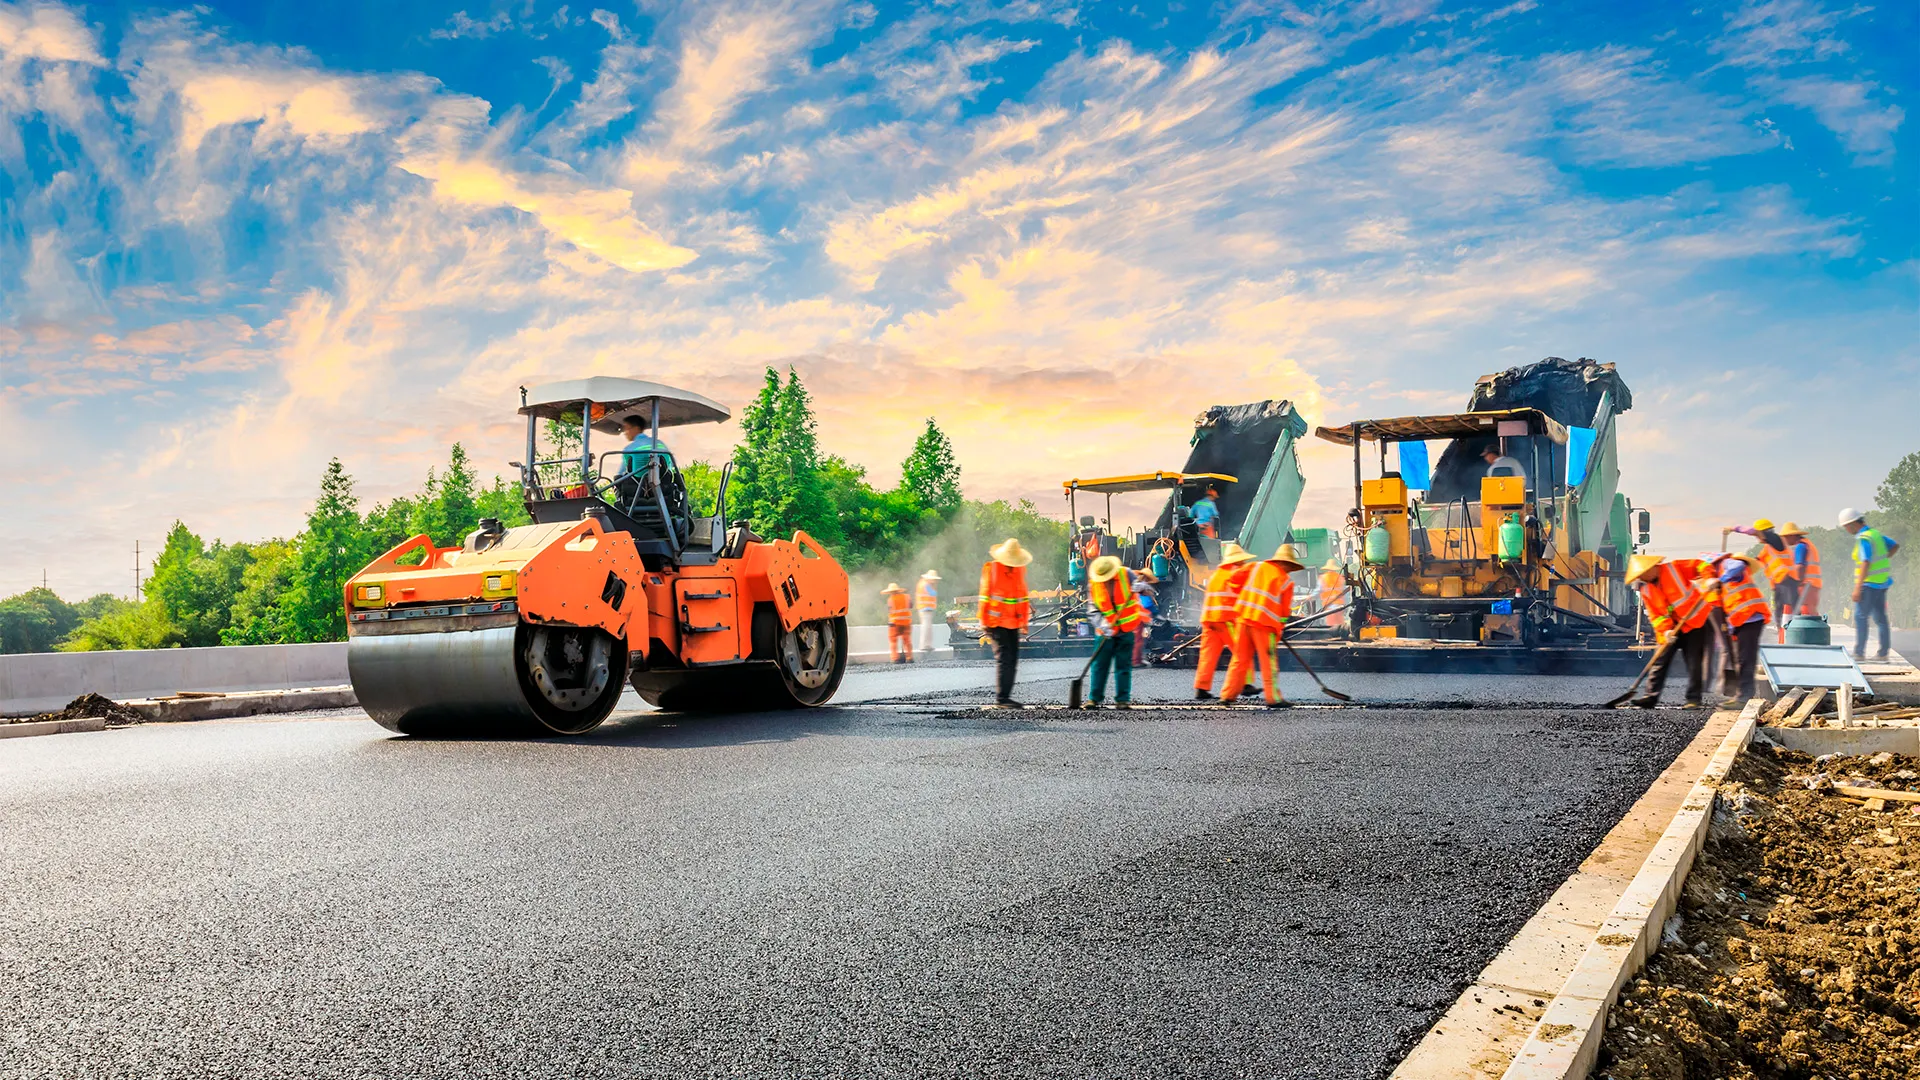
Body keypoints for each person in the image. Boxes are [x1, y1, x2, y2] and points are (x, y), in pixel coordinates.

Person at [1221, 543, 1306, 709]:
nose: (1289, 570)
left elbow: (1232, 579)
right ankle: (1273, 698)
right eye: (1290, 566)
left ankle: (1227, 696)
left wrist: (1242, 595)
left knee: (1239, 660)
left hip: (1244, 619)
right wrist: (1279, 630)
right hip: (1265, 626)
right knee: (1268, 662)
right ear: (1285, 563)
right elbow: (1283, 612)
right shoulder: (1286, 582)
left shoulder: (1255, 566)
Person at [1625, 554, 1715, 708]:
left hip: (1694, 622)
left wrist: (1710, 578)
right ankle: (1650, 697)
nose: (1641, 577)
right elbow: (1656, 615)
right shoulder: (1646, 589)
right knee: (1660, 660)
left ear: (1652, 568)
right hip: (1671, 629)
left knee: (1694, 661)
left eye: (1642, 573)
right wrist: (1666, 631)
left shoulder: (1674, 568)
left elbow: (1699, 565)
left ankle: (1693, 700)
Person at [1193, 542, 1258, 700]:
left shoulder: (1216, 575)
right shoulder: (1236, 573)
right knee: (1242, 650)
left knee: (1208, 655)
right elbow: (1246, 596)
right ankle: (1246, 684)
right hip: (1226, 619)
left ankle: (1201, 688)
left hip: (1209, 620)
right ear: (1238, 561)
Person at [1704, 552, 1770, 702]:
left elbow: (1740, 565)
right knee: (1742, 658)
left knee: (1746, 659)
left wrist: (1720, 579)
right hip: (1743, 619)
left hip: (1751, 616)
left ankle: (1744, 696)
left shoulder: (1727, 564)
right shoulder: (1720, 577)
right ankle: (1741, 694)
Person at [1085, 555, 1149, 709]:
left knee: (1124, 666)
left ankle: (1122, 700)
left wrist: (1142, 588)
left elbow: (1147, 590)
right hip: (1104, 633)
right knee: (1099, 666)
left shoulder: (1126, 574)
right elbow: (1092, 610)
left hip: (1126, 630)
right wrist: (1102, 623)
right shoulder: (1093, 584)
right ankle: (1094, 699)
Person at [1839, 507, 1900, 661]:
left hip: (1868, 585)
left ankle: (1859, 653)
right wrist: (1884, 560)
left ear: (1852, 524)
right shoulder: (1876, 534)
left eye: (1846, 526)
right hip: (1882, 583)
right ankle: (1883, 653)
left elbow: (1865, 562)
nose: (1846, 530)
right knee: (1881, 618)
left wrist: (1857, 588)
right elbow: (1894, 546)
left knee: (1860, 617)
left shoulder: (1864, 538)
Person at [1722, 519, 1797, 642]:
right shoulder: (1766, 549)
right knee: (1779, 615)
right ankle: (1782, 641)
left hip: (1788, 582)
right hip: (1779, 586)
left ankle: (1790, 640)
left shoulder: (1777, 541)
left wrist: (1733, 528)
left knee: (1788, 614)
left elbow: (1754, 532)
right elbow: (1752, 564)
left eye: (1759, 535)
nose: (1757, 538)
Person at [978, 539, 1032, 706]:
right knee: (1005, 658)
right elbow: (984, 596)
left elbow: (1022, 597)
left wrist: (1023, 622)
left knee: (1013, 659)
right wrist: (983, 619)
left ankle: (1005, 697)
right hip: (996, 622)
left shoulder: (1019, 571)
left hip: (1013, 622)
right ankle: (1002, 699)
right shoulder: (992, 569)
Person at [1779, 522, 1821, 618]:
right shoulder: (1808, 545)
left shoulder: (1800, 547)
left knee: (1806, 613)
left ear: (1792, 535)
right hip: (1813, 585)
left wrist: (1796, 582)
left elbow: (1800, 567)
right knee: (1811, 612)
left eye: (1785, 536)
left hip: (1806, 586)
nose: (1784, 539)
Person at [883, 583, 913, 663]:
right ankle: (909, 657)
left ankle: (895, 658)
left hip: (895, 624)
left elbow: (890, 611)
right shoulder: (907, 597)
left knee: (893, 641)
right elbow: (911, 606)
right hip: (906, 622)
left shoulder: (891, 599)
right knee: (907, 641)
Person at [1132, 573, 1158, 666]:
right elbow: (1147, 604)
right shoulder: (1143, 589)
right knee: (1137, 640)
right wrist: (1155, 613)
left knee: (1136, 639)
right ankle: (1135, 661)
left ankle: (1137, 660)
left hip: (1133, 617)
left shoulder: (1136, 588)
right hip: (1137, 618)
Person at [914, 570, 941, 654]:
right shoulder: (926, 585)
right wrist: (934, 586)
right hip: (925, 609)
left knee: (927, 628)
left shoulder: (922, 583)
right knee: (926, 628)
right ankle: (924, 645)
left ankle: (927, 645)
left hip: (926, 608)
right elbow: (933, 593)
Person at [1317, 560, 1346, 631]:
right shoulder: (1340, 577)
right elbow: (1345, 592)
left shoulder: (1323, 578)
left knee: (1332, 629)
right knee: (1340, 627)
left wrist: (1308, 597)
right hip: (1339, 607)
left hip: (1329, 608)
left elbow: (1318, 591)